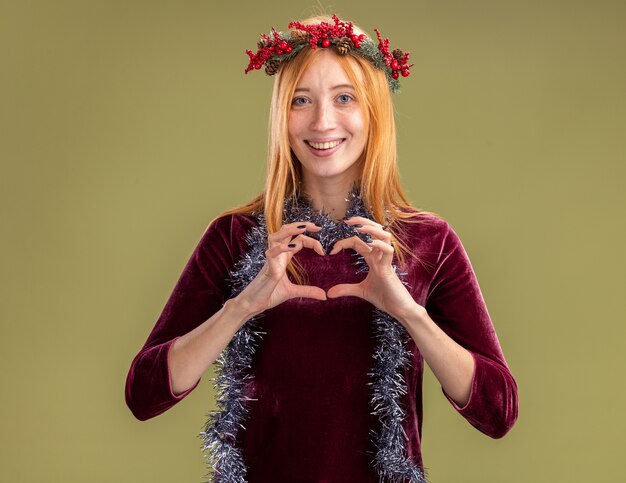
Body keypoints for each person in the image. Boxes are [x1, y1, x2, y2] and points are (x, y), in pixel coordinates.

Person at [125, 14, 518, 483]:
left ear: (373, 111)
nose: (322, 122)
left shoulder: (427, 242)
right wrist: (243, 305)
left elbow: (498, 412)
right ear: (281, 116)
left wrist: (408, 311)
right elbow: (144, 394)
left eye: (344, 98)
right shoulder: (233, 237)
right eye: (301, 100)